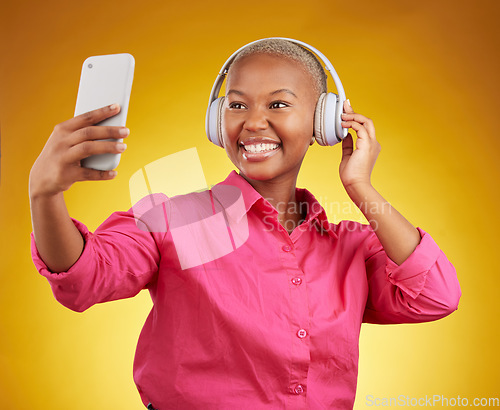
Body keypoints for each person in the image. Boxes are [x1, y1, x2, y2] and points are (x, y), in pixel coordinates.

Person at [29, 38, 461, 409]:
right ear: (218, 121)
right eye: (237, 105)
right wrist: (45, 196)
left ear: (324, 122)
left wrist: (360, 186)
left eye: (278, 104)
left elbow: (436, 297)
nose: (253, 121)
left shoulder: (352, 246)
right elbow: (84, 278)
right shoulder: (168, 220)